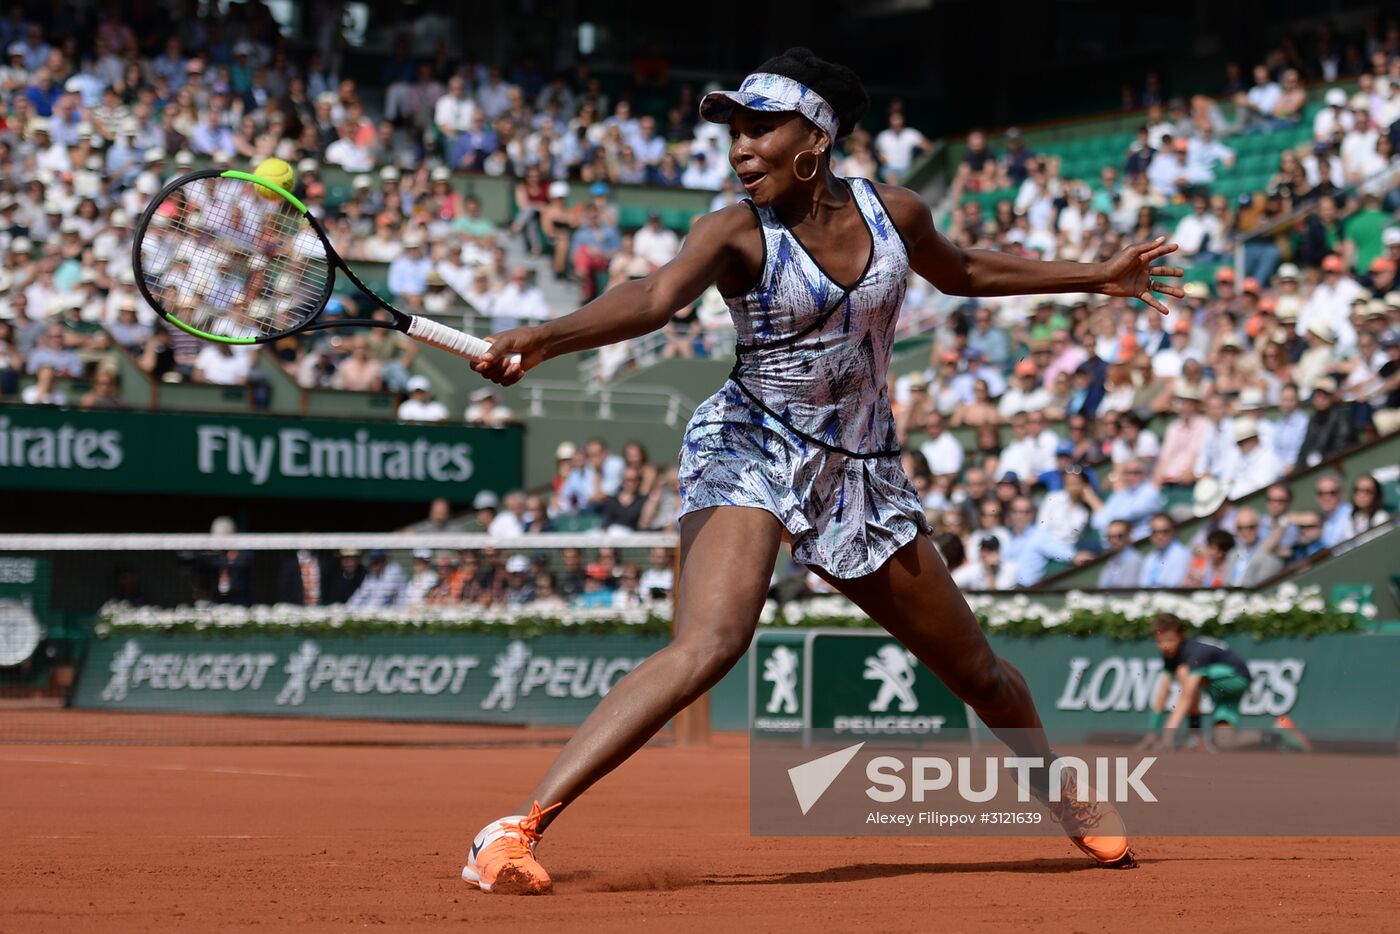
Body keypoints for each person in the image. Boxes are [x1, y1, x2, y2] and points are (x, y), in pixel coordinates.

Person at [464, 48, 1182, 892]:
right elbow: (653, 297)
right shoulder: (733, 231)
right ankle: (512, 831)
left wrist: (1096, 275)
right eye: (734, 131)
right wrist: (545, 337)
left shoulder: (896, 212)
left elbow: (964, 271)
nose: (740, 147)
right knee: (713, 640)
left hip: (862, 472)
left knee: (981, 676)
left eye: (759, 128)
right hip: (750, 443)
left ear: (816, 138)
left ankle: (1056, 786)